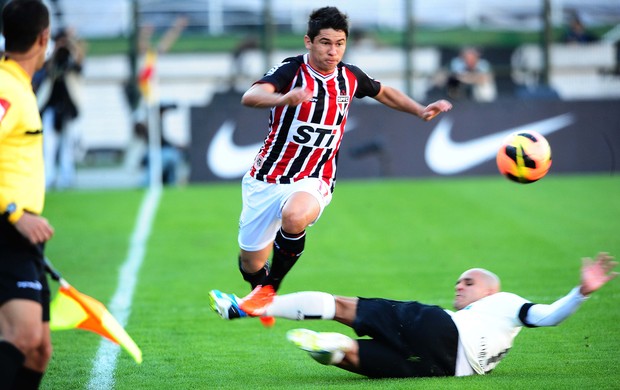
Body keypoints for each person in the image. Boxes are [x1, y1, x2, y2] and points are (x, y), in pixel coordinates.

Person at [210, 6, 452, 319]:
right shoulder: (290, 71)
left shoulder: (349, 77)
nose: (333, 50)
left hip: (315, 177)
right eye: (325, 42)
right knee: (250, 264)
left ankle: (266, 294)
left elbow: (384, 92)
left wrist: (420, 110)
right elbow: (251, 96)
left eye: (339, 43)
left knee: (296, 217)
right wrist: (284, 98)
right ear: (308, 41)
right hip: (266, 178)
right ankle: (261, 294)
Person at [211, 253, 617, 378]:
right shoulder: (499, 334)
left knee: (344, 306)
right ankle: (330, 350)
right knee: (354, 356)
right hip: (444, 367)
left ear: (492, 289)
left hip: (441, 330)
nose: (461, 286)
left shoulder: (505, 302)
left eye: (469, 282)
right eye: (459, 282)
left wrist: (580, 292)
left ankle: (247, 305)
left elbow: (547, 316)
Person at [0, 1, 55, 388]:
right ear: (43, 38)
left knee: (39, 350)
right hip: (8, 228)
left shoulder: (18, 84)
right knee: (23, 337)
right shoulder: (7, 88)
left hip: (24, 234)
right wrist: (16, 212)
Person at [38, 27, 85, 189]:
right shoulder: (50, 59)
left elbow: (79, 64)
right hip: (51, 107)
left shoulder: (70, 60)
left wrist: (71, 45)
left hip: (68, 109)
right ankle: (49, 177)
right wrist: (55, 51)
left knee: (68, 146)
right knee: (49, 146)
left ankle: (67, 177)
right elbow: (46, 71)